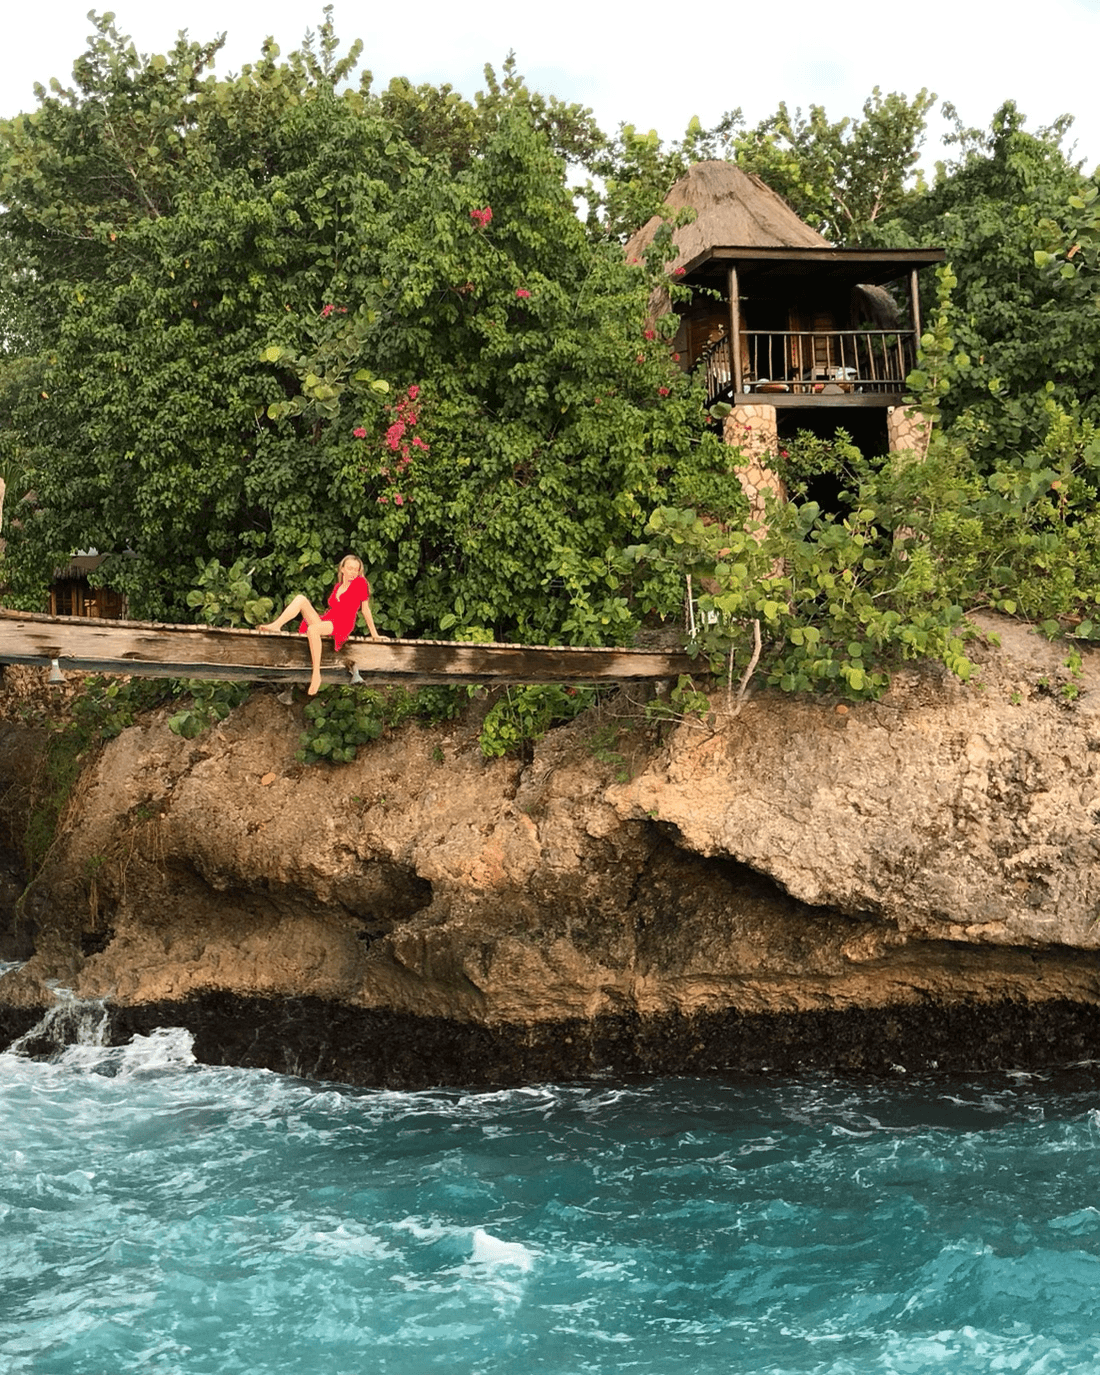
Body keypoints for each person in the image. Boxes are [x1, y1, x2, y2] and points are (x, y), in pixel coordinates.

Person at [258, 555, 384, 695]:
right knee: (300, 599)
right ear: (342, 569)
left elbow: (365, 610)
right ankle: (276, 625)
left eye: (356, 569)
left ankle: (316, 674)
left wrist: (374, 634)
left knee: (313, 629)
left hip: (343, 623)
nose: (353, 572)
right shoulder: (338, 586)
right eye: (349, 568)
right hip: (329, 619)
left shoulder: (360, 583)